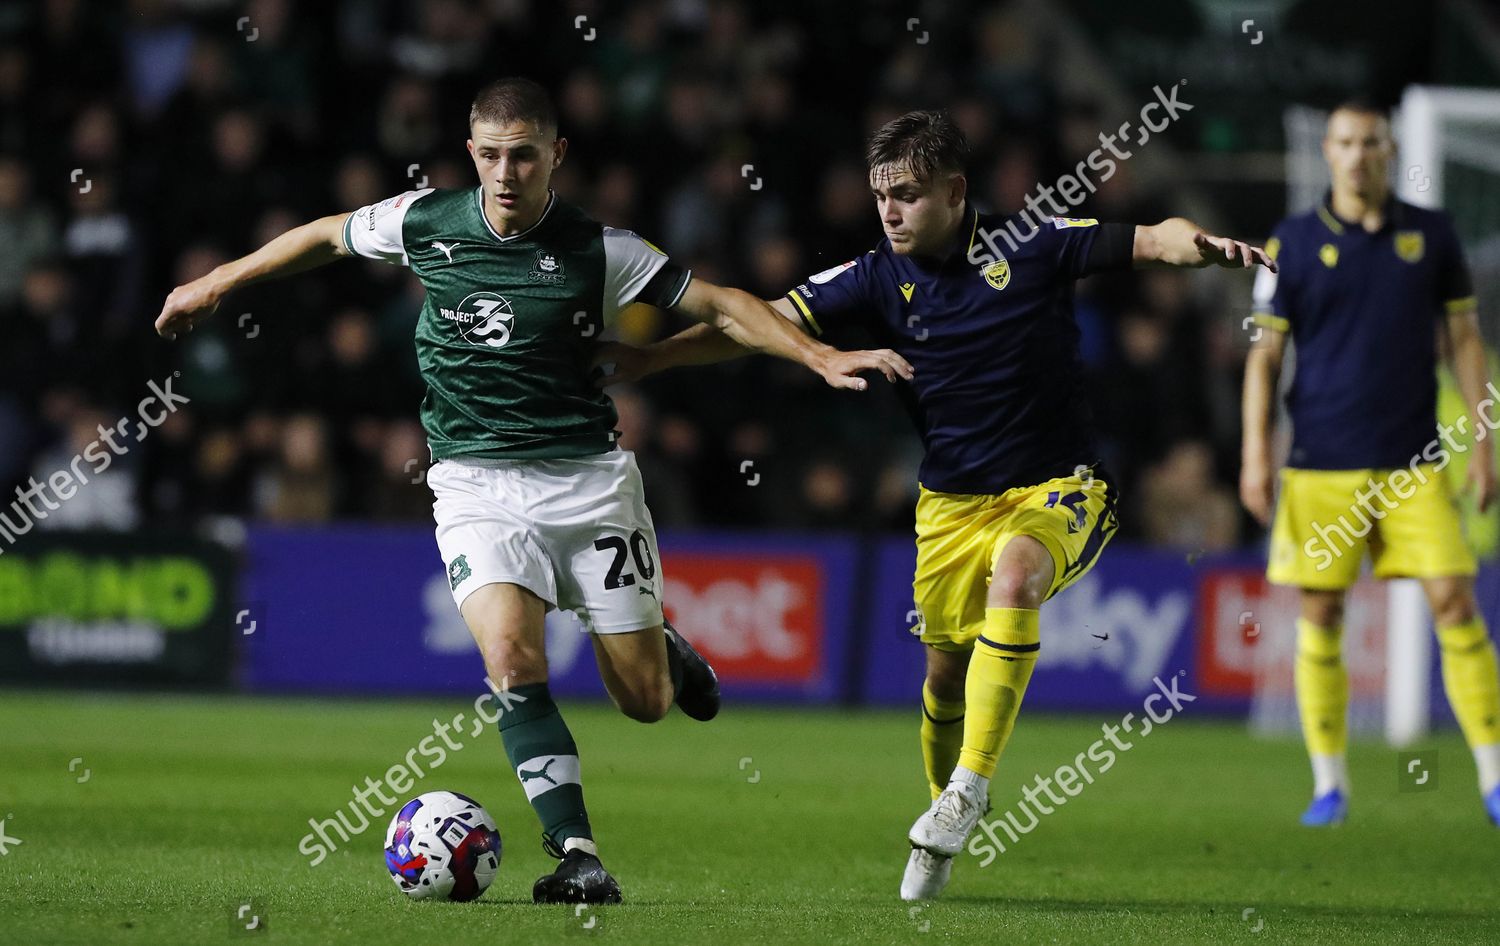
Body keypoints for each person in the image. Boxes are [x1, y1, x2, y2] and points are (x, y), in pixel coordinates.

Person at [153, 76, 912, 904]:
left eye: (522, 155)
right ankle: (577, 851)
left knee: (648, 703)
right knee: (512, 660)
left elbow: (725, 305)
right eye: (489, 155)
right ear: (470, 155)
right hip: (475, 486)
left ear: (556, 154)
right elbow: (328, 236)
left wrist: (819, 357)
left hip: (589, 487)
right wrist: (219, 280)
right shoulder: (424, 220)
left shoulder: (600, 249)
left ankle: (662, 647)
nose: (506, 173)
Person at [597, 109, 1273, 899]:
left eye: (908, 196)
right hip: (951, 506)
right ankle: (940, 819)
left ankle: (969, 790)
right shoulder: (876, 277)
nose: (888, 211)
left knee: (1016, 579)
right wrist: (649, 360)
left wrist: (1205, 247)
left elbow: (1154, 237)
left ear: (955, 191)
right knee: (945, 678)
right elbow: (755, 326)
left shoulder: (1034, 241)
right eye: (882, 196)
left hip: (1061, 486)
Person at [1240, 98, 1500, 827]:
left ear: (1390, 150)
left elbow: (1465, 341)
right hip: (1321, 462)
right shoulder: (1289, 241)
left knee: (1454, 600)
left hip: (1414, 462)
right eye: (1346, 143)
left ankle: (1492, 777)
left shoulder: (1433, 234)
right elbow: (1264, 357)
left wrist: (1484, 443)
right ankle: (1329, 784)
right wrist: (1256, 452)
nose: (1358, 155)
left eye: (1371, 142)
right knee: (1322, 611)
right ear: (1328, 151)